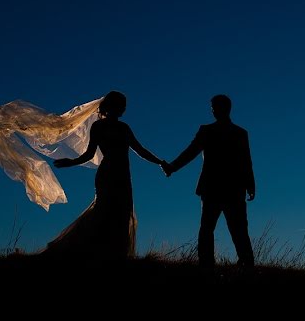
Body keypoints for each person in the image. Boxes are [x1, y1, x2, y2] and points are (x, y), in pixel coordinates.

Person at [45, 91, 167, 259]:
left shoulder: (124, 128)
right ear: (110, 107)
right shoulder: (98, 127)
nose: (122, 109)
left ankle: (115, 254)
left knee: (122, 213)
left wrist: (160, 162)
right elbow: (89, 154)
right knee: (104, 211)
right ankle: (87, 251)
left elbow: (140, 150)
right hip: (108, 173)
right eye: (119, 106)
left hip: (123, 175)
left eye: (123, 106)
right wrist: (70, 162)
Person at [163, 94, 256, 268]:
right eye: (212, 107)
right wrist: (173, 167)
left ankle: (240, 263)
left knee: (226, 228)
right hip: (226, 188)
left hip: (221, 187)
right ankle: (223, 263)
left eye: (214, 107)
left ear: (224, 108)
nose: (213, 110)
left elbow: (245, 160)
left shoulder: (229, 133)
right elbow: (191, 152)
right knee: (223, 228)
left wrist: (250, 184)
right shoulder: (231, 132)